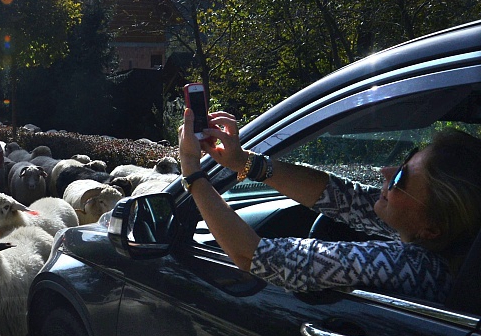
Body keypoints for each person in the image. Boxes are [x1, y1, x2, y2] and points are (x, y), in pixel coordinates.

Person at [178, 108, 481, 302]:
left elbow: (252, 255)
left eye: (401, 178)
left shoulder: (411, 267)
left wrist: (191, 168)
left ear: (431, 229)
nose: (386, 172)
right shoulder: (443, 239)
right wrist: (243, 161)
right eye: (405, 160)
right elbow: (342, 196)